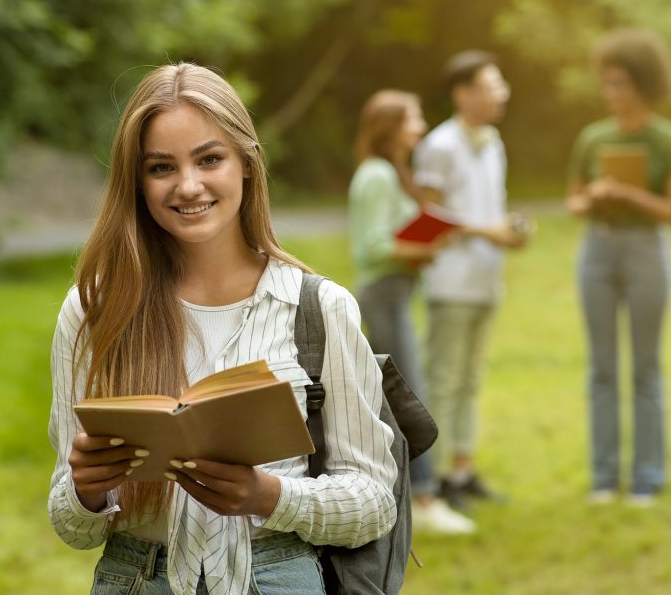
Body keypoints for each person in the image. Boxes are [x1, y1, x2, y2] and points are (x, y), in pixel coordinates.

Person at [48, 63, 397, 595]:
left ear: (247, 164)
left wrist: (269, 496)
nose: (188, 186)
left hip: (278, 576)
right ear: (137, 182)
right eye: (161, 167)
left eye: (209, 159)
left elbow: (374, 504)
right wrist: (86, 491)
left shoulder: (318, 307)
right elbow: (71, 526)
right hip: (138, 579)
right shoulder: (94, 310)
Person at [566, 28, 671, 507]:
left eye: (618, 83)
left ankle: (647, 477)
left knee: (645, 367)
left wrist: (627, 193)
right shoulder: (592, 137)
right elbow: (573, 201)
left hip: (647, 251)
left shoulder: (669, 140)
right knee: (601, 368)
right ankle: (603, 477)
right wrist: (594, 197)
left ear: (643, 83)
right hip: (597, 251)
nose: (609, 92)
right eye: (607, 83)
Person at [347, 89, 476, 534]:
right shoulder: (378, 175)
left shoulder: (391, 174)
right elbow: (373, 246)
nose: (420, 126)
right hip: (383, 292)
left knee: (396, 397)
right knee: (409, 396)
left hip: (395, 292)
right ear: (392, 127)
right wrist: (422, 246)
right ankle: (422, 499)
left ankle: (407, 496)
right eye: (414, 118)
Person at [412, 50, 529, 511]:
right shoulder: (440, 146)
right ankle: (435, 479)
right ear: (463, 94)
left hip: (486, 279)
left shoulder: (493, 142)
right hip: (450, 282)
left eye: (501, 84)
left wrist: (510, 229)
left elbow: (488, 209)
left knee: (472, 380)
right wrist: (488, 231)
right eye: (491, 84)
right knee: (443, 380)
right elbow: (427, 219)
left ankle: (462, 471)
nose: (502, 93)